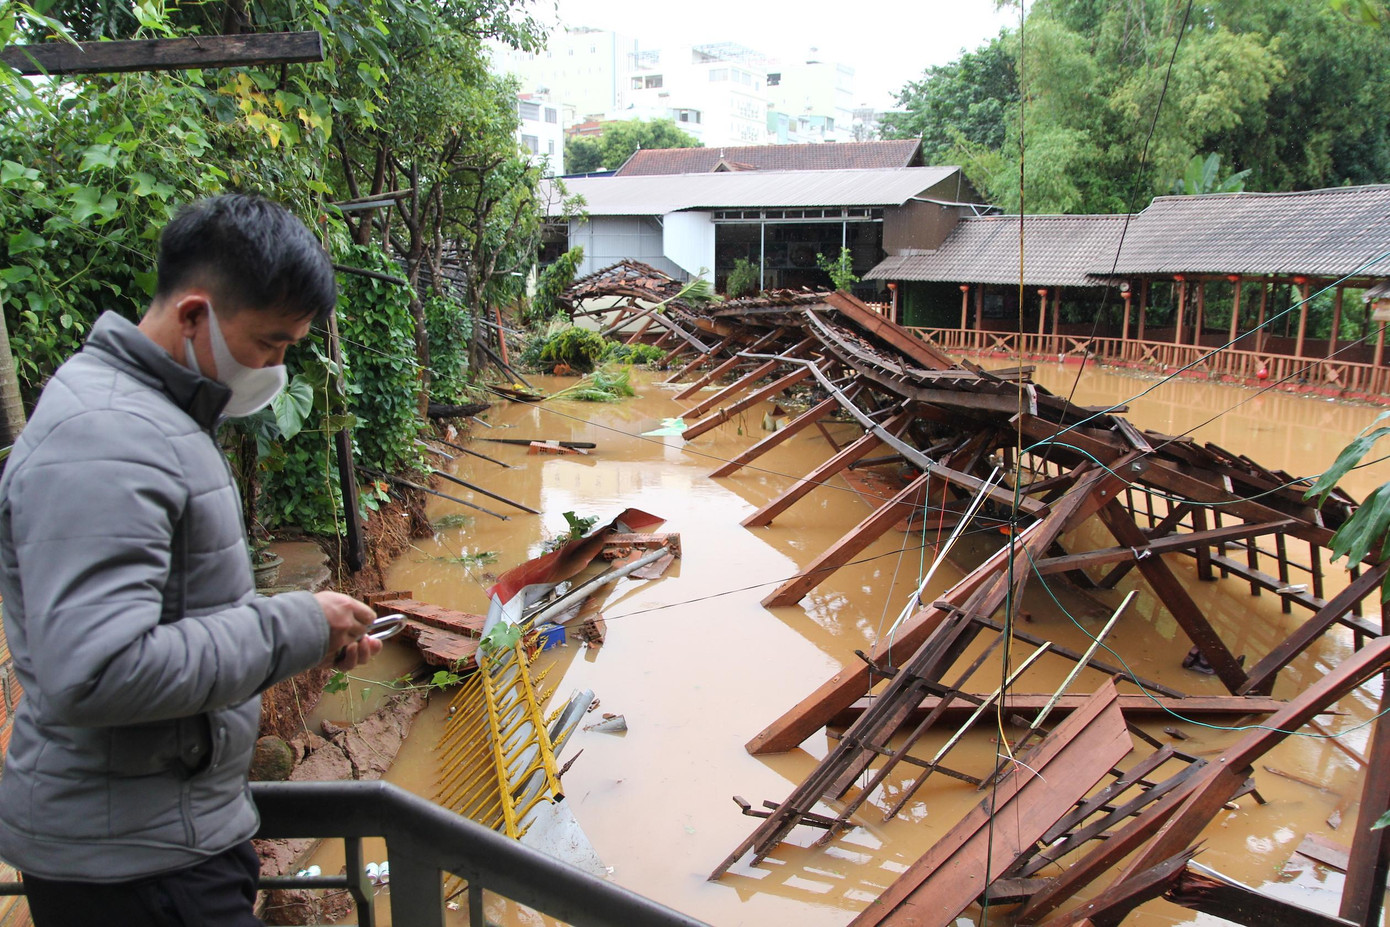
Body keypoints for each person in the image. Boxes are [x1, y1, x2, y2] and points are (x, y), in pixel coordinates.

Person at [0, 194, 383, 926]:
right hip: (136, 873)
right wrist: (291, 626)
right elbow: (99, 668)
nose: (276, 367)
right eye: (269, 343)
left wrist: (303, 635)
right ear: (194, 315)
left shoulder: (152, 416)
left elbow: (180, 615)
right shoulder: (106, 437)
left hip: (164, 839)